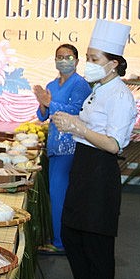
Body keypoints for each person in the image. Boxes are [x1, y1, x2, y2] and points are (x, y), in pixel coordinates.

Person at [53, 20, 137, 279]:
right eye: (87, 57)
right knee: (71, 234)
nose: (87, 63)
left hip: (101, 172)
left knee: (96, 246)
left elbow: (113, 143)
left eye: (93, 58)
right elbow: (90, 124)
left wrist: (78, 127)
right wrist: (70, 119)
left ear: (113, 64)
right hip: (83, 167)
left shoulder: (120, 95)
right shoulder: (97, 89)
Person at [33, 43, 92, 255]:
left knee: (60, 195)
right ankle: (60, 237)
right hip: (55, 146)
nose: (63, 60)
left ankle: (60, 243)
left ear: (76, 61)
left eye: (68, 57)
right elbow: (42, 115)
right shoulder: (52, 84)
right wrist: (43, 104)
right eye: (60, 57)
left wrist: (51, 104)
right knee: (56, 194)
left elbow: (78, 110)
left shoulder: (80, 85)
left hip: (71, 146)